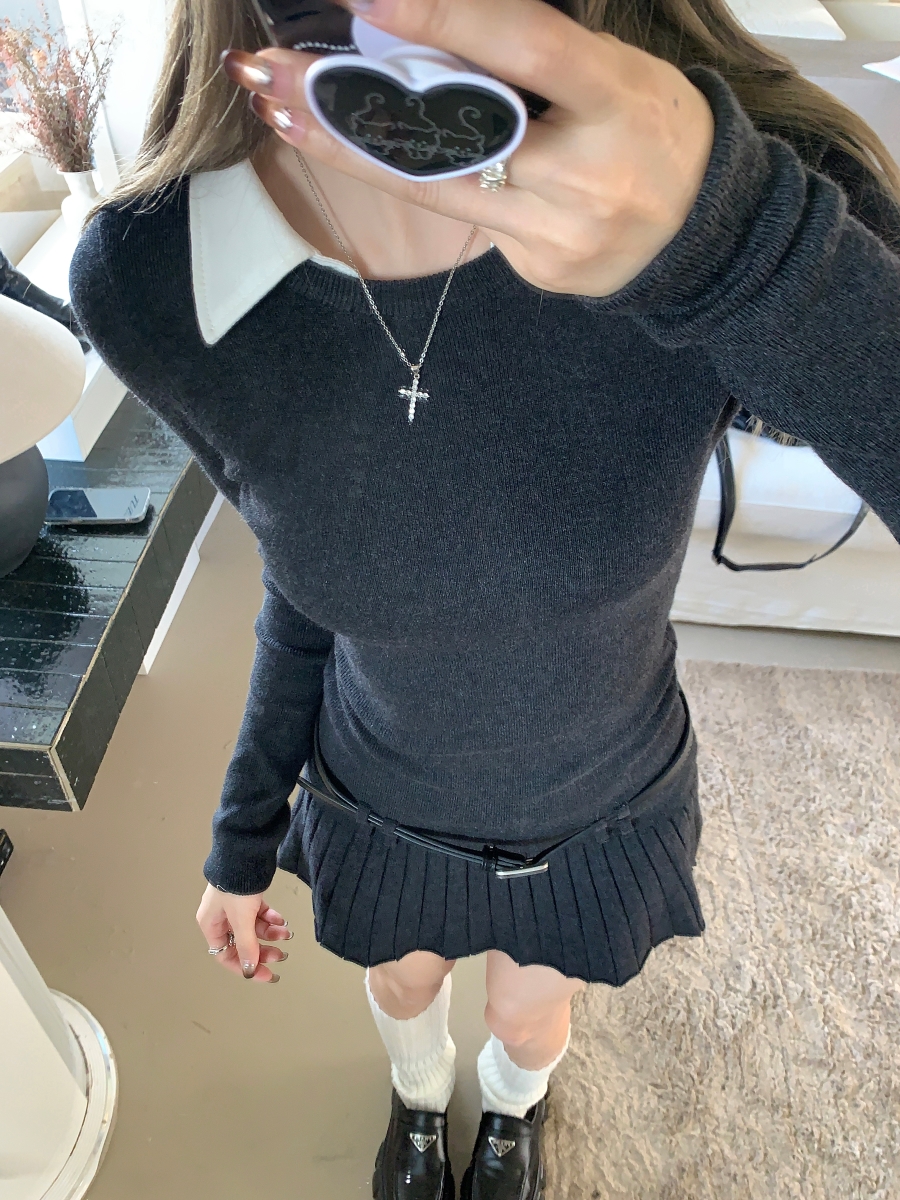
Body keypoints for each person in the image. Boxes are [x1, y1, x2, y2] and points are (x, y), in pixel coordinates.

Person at [69, 0, 900, 1196]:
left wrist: (740, 247)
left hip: (601, 805)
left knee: (527, 1016)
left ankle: (511, 1116)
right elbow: (309, 589)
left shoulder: (722, 195)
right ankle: (418, 1106)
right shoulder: (155, 277)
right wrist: (241, 842)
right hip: (377, 806)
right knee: (402, 986)